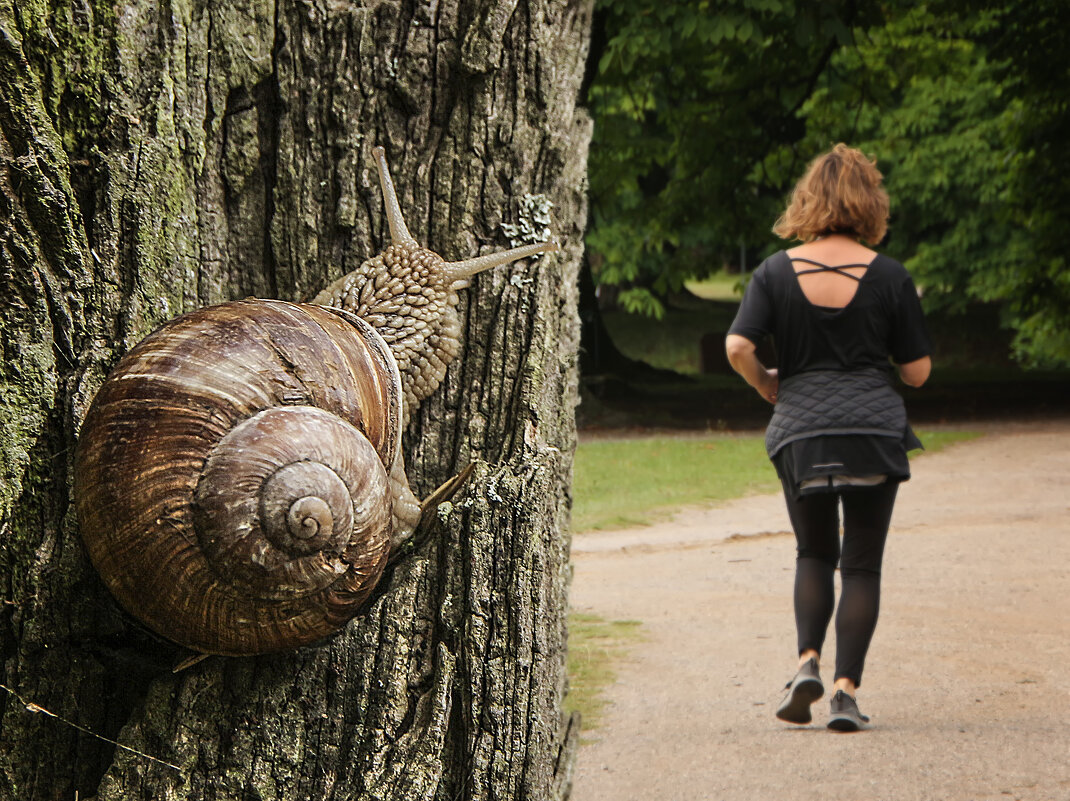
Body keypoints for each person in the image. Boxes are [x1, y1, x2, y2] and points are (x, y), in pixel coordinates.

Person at [724, 143, 932, 732]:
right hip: (872, 429)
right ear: (870, 204)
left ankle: (806, 662)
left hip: (802, 430)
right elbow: (916, 373)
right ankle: (844, 693)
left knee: (814, 551)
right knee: (861, 565)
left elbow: (738, 345)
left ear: (807, 200)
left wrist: (766, 379)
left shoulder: (773, 270)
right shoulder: (890, 277)